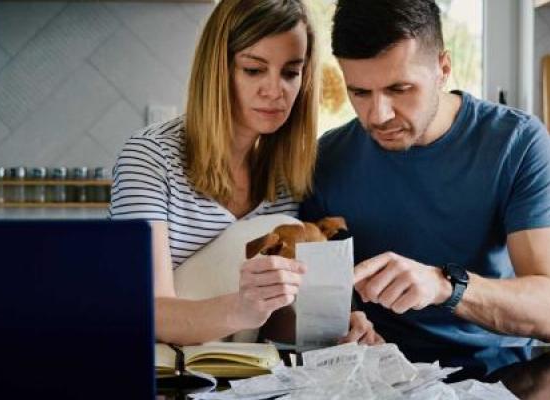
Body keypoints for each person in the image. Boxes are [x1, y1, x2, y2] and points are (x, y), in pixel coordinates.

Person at [300, 0, 550, 357]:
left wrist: (444, 286)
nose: (379, 115)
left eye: (399, 89)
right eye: (360, 92)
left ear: (443, 68)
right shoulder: (328, 158)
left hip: (497, 371)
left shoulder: (516, 142)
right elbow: (319, 298)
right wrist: (345, 322)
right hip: (377, 373)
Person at [109, 0, 380, 346]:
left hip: (239, 376)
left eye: (290, 72)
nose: (274, 91)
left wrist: (336, 327)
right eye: (254, 70)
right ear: (218, 69)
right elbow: (146, 312)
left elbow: (269, 321)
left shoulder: (285, 176)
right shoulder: (150, 157)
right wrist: (240, 309)